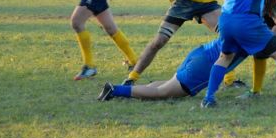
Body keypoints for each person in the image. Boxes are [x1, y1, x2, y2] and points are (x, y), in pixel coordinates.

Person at [98, 37, 249, 101]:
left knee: (168, 85)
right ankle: (115, 90)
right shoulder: (258, 30)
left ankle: (136, 88)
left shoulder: (239, 14)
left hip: (201, 52)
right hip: (204, 66)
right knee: (162, 93)